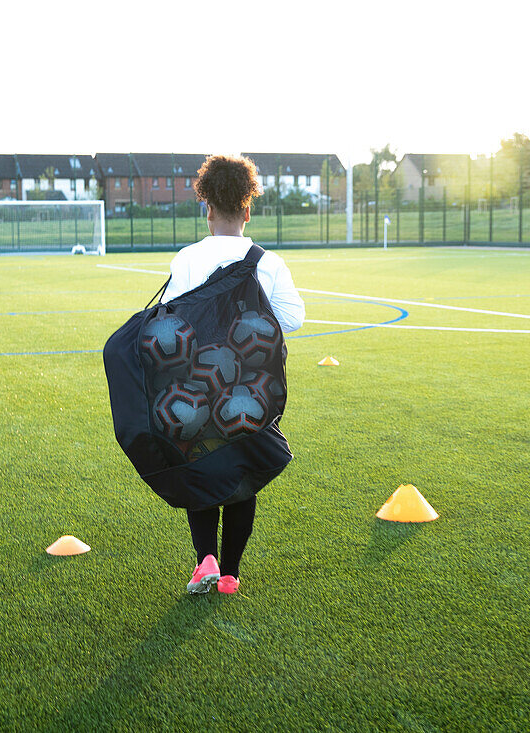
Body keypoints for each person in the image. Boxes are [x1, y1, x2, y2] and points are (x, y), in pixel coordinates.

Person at [161, 154, 305, 595]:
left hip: (197, 388)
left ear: (207, 209)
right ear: (248, 208)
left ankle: (204, 558)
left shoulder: (187, 258)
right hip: (252, 389)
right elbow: (294, 319)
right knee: (243, 477)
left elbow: (170, 322)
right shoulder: (267, 260)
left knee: (201, 466)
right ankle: (230, 575)